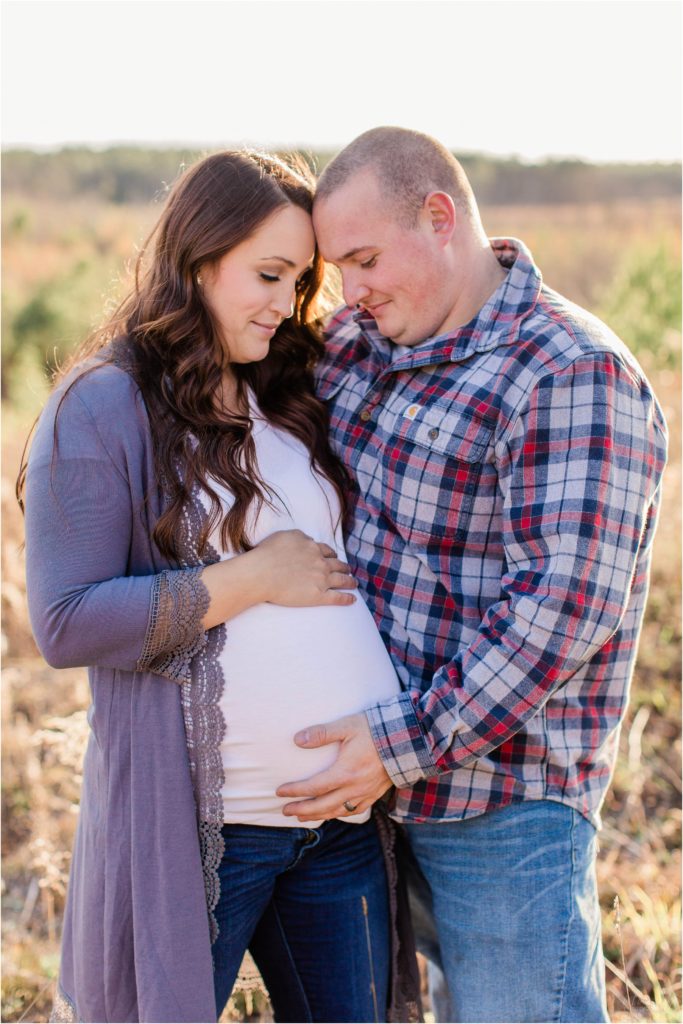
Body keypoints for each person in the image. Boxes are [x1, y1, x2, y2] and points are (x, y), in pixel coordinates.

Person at [275, 127, 668, 1023]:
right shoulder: (356, 347)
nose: (351, 290)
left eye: (365, 259)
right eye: (339, 268)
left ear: (440, 217)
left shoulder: (568, 372)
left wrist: (394, 745)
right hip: (363, 797)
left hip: (499, 805)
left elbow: (555, 618)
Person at [19, 149, 421, 1024]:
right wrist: (250, 577)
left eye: (300, 279)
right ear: (197, 261)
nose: (287, 303)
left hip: (338, 829)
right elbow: (65, 620)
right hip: (205, 835)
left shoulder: (280, 391)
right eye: (267, 274)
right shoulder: (102, 403)